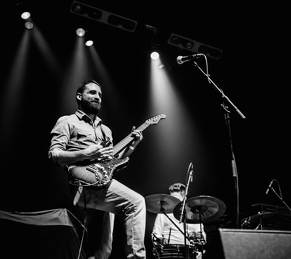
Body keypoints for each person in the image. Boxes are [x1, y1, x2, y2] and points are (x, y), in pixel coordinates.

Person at [48, 79, 147, 259]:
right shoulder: (67, 121)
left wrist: (133, 145)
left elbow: (113, 161)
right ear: (79, 96)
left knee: (102, 251)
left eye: (100, 95)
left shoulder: (106, 131)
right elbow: (54, 155)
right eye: (92, 93)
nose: (97, 97)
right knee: (136, 203)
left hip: (102, 181)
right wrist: (86, 153)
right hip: (83, 182)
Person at [151, 183, 206, 259]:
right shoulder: (163, 213)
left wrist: (196, 236)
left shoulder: (193, 214)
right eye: (171, 198)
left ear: (184, 198)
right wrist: (161, 240)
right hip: (168, 251)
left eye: (176, 198)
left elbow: (201, 236)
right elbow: (156, 234)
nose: (173, 201)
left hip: (189, 251)